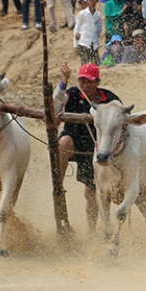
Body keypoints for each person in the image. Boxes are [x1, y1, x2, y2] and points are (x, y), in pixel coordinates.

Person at [53, 62, 121, 234]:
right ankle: (58, 184)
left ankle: (91, 231)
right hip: (74, 141)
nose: (85, 85)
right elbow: (56, 104)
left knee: (91, 194)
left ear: (97, 81)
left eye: (89, 81)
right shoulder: (73, 93)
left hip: (98, 149)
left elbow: (120, 120)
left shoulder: (109, 98)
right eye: (82, 80)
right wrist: (64, 80)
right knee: (63, 143)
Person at [75, 0, 102, 64]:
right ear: (87, 1)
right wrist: (75, 44)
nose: (92, 1)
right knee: (85, 64)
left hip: (94, 43)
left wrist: (97, 38)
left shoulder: (98, 14)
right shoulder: (82, 14)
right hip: (84, 42)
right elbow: (77, 29)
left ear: (97, 1)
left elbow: (99, 28)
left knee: (96, 64)